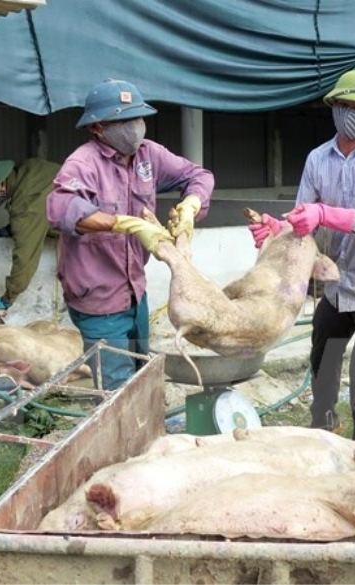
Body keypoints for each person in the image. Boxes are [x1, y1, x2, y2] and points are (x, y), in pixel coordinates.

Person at [250, 70, 355, 448]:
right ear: (334, 108)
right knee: (323, 364)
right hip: (337, 284)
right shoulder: (318, 159)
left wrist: (325, 214)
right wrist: (277, 228)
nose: (352, 113)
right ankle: (322, 443)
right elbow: (302, 224)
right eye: (346, 105)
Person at [46, 78, 214, 391]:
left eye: (137, 118)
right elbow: (61, 207)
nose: (134, 127)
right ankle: (121, 438)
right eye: (123, 121)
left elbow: (198, 175)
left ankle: (142, 434)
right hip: (97, 296)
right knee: (117, 391)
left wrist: (191, 205)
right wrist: (125, 224)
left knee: (141, 375)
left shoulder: (149, 156)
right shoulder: (83, 163)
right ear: (97, 127)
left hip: (135, 291)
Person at [0, 156, 61, 317]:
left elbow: (25, 260)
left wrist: (7, 299)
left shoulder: (26, 206)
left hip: (98, 239)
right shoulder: (33, 168)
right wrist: (10, 230)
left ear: (1, 183)